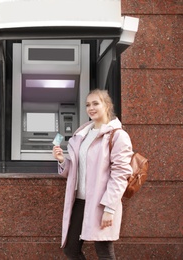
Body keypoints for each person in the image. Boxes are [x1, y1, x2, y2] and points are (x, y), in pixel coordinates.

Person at [52, 89, 133, 259]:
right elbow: (75, 172)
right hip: (80, 202)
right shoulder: (83, 135)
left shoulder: (118, 136)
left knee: (104, 252)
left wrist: (110, 208)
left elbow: (120, 175)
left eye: (96, 103)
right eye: (88, 104)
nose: (91, 107)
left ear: (107, 105)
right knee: (71, 248)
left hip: (101, 202)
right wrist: (62, 160)